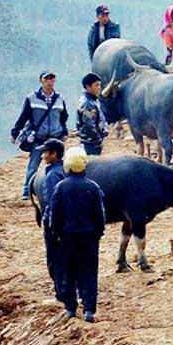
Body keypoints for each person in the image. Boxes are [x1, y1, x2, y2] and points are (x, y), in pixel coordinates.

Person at [47, 148, 105, 322]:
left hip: (66, 237)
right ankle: (89, 310)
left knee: (67, 272)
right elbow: (100, 216)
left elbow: (54, 215)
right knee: (88, 273)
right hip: (89, 238)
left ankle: (70, 309)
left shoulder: (60, 187)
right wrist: (98, 234)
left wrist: (56, 234)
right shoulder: (93, 187)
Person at [11, 69, 68, 197]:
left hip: (55, 138)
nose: (49, 81)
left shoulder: (60, 98)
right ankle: (28, 190)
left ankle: (58, 189)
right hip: (38, 137)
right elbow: (24, 116)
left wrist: (63, 131)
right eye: (46, 78)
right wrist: (15, 132)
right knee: (33, 165)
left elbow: (64, 117)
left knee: (58, 165)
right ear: (41, 81)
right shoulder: (31, 98)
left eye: (52, 78)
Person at [32, 139, 67, 301]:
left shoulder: (52, 174)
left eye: (46, 152)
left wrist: (51, 225)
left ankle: (61, 294)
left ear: (54, 154)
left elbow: (52, 203)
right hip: (68, 224)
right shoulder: (65, 170)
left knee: (55, 260)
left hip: (55, 225)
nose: (43, 155)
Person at [75, 74, 109, 156]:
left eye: (100, 85)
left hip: (91, 142)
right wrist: (97, 139)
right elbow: (89, 125)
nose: (99, 88)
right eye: (96, 85)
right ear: (88, 86)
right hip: (91, 143)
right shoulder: (88, 103)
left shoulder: (91, 100)